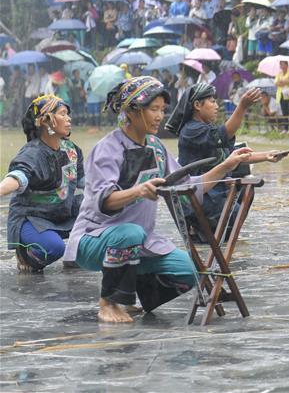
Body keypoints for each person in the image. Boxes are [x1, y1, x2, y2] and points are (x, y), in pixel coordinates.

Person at [62, 76, 253, 323]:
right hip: (95, 236)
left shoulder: (156, 146)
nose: (160, 116)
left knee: (191, 271)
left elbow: (186, 186)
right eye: (154, 109)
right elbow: (105, 201)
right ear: (132, 111)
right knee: (130, 233)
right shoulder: (108, 148)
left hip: (140, 241)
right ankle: (108, 302)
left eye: (163, 110)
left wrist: (227, 165)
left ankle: (131, 293)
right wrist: (139, 191)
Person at [166, 82, 278, 237]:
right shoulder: (191, 130)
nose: (216, 106)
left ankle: (216, 233)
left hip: (217, 193)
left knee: (247, 190)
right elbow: (224, 134)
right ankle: (208, 231)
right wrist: (242, 106)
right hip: (203, 195)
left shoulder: (206, 129)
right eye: (212, 102)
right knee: (235, 212)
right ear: (197, 105)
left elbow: (232, 156)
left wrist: (267, 155)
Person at [1, 95, 84, 272]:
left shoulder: (72, 150)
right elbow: (18, 176)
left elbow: (85, 183)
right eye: (63, 114)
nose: (69, 119)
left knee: (98, 208)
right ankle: (26, 255)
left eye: (68, 114)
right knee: (54, 249)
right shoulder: (33, 152)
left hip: (62, 211)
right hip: (32, 217)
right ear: (47, 121)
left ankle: (77, 254)